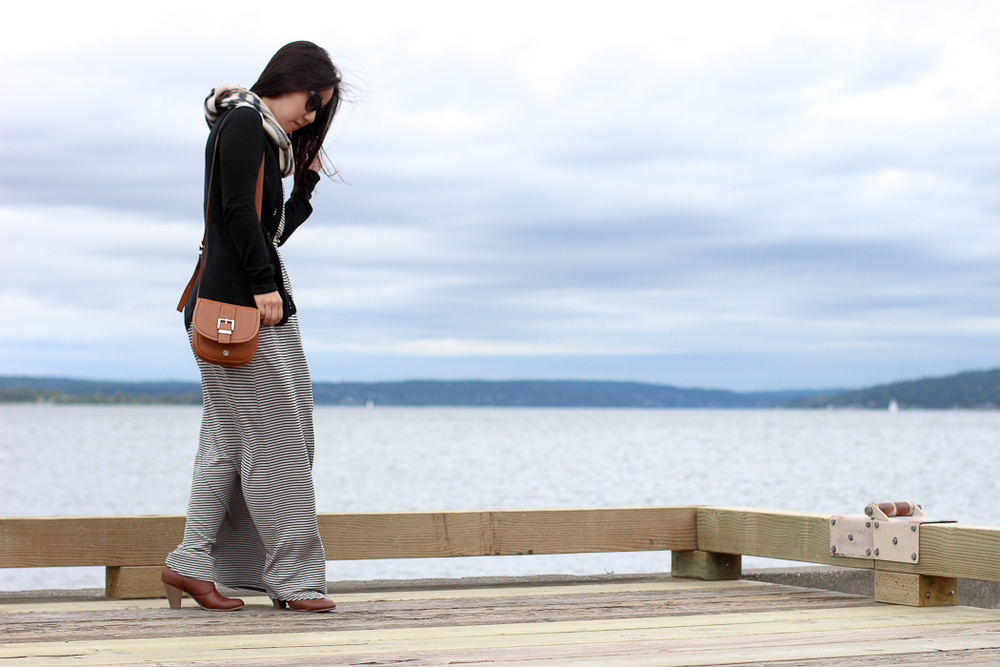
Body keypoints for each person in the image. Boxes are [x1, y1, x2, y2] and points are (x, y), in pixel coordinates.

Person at [163, 41, 343, 613]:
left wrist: (306, 186)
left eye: (321, 110)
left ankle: (191, 563)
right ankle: (291, 578)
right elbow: (238, 213)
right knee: (280, 444)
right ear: (287, 78)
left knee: (230, 443)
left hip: (233, 306)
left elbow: (267, 230)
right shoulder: (244, 122)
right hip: (244, 309)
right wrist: (265, 286)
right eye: (312, 101)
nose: (310, 116)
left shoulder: (257, 136)